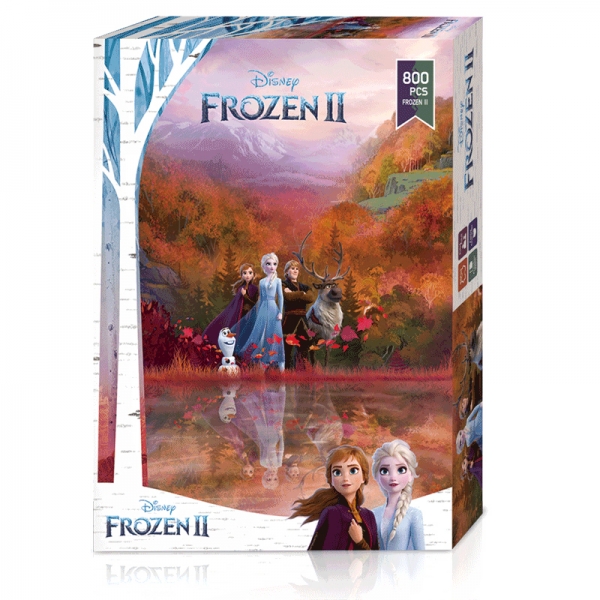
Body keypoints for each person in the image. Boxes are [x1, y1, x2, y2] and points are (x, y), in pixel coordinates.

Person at [290, 445, 378, 550]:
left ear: (363, 476)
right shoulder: (332, 513)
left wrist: (359, 541)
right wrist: (359, 543)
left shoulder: (369, 515)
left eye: (353, 470)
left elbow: (376, 555)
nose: (345, 478)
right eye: (337, 472)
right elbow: (317, 554)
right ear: (331, 480)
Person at [232, 253, 285, 371]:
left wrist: (280, 312)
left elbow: (281, 297)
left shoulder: (278, 280)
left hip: (273, 308)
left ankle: (279, 362)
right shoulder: (261, 282)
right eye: (268, 264)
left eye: (274, 264)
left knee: (275, 334)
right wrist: (257, 312)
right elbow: (260, 299)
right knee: (260, 334)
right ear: (264, 266)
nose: (272, 266)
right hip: (263, 308)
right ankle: (262, 362)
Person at [371, 439, 425, 550]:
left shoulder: (414, 515)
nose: (393, 477)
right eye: (384, 471)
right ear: (377, 476)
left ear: (411, 475)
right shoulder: (373, 514)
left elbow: (420, 553)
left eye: (401, 469)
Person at [203, 263, 258, 346]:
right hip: (238, 314)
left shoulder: (254, 289)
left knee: (246, 332)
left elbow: (255, 303)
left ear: (253, 274)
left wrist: (245, 295)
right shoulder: (240, 288)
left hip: (249, 314)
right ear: (241, 275)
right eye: (245, 273)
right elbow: (236, 303)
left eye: (250, 273)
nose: (247, 275)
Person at [281, 259, 315, 369]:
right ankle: (287, 371)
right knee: (287, 346)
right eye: (292, 268)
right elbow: (288, 297)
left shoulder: (305, 286)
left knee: (305, 344)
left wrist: (295, 294)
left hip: (302, 319)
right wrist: (301, 294)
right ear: (286, 271)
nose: (295, 271)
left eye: (297, 269)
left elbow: (310, 298)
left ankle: (302, 370)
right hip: (289, 319)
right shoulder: (283, 284)